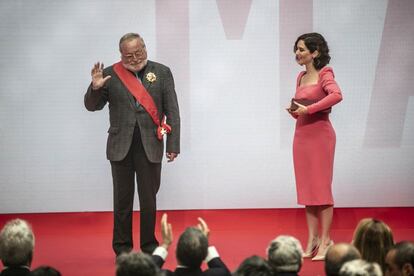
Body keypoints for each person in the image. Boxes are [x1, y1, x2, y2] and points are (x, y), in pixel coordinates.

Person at [84, 33, 180, 256]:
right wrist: (95, 88)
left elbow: (172, 110)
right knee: (122, 202)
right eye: (129, 55)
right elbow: (91, 106)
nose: (135, 58)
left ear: (145, 48)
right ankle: (122, 250)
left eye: (139, 52)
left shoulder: (162, 72)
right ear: (121, 54)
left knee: (149, 200)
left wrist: (173, 144)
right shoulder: (109, 75)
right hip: (120, 146)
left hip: (150, 145)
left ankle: (149, 248)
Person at [286, 32, 343, 261]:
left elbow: (337, 95)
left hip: (320, 136)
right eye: (297, 49)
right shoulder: (300, 76)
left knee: (321, 189)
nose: (297, 54)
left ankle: (327, 239)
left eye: (301, 49)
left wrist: (309, 110)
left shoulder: (325, 73)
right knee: (307, 191)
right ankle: (312, 240)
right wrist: (296, 111)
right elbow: (302, 106)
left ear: (315, 52)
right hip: (301, 136)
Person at [151, 214, 231, 276]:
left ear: (176, 252)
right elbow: (223, 270)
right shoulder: (219, 274)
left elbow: (146, 271)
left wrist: (165, 244)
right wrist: (204, 243)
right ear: (205, 255)